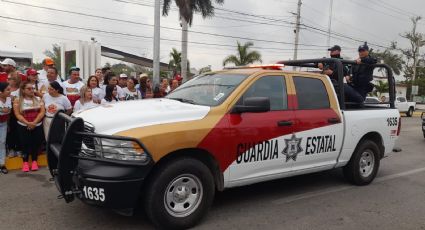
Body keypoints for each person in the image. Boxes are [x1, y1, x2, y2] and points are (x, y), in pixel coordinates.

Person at [13, 82, 45, 172]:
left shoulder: (39, 99)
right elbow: (17, 114)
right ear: (23, 90)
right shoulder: (17, 100)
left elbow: (42, 112)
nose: (32, 90)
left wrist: (34, 122)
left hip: (37, 125)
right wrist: (28, 123)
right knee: (24, 144)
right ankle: (25, 162)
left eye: (33, 88)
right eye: (29, 89)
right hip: (23, 126)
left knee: (35, 143)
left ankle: (35, 161)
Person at [6, 73, 21, 157]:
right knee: (9, 131)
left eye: (9, 79)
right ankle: (11, 149)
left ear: (15, 80)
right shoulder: (5, 88)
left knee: (18, 131)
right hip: (8, 113)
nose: (7, 80)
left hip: (18, 112)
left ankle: (18, 149)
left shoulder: (20, 90)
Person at [0, 82, 11, 174]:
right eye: (7, 90)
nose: (9, 91)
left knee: (2, 143)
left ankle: (2, 164)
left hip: (4, 124)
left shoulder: (9, 99)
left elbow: (8, 111)